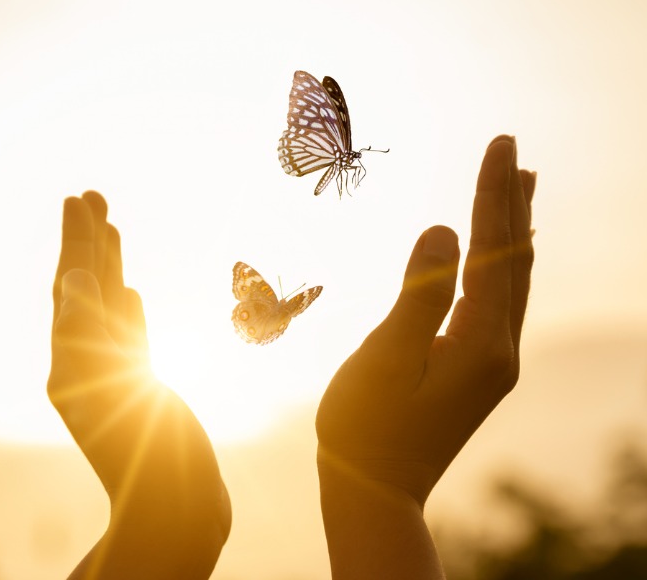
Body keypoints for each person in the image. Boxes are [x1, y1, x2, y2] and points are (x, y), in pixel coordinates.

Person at [48, 134, 536, 579]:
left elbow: (171, 518)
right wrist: (381, 485)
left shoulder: (284, 301)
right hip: (267, 326)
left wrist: (163, 517)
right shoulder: (281, 302)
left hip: (262, 325)